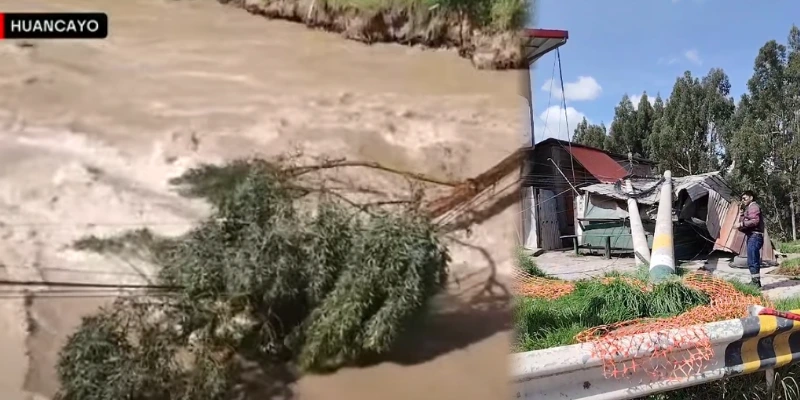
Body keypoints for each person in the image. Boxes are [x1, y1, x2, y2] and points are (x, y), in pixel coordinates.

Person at [735, 190, 764, 288]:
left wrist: (741, 224)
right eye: (741, 199)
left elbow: (755, 221)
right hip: (752, 236)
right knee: (751, 260)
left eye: (744, 198)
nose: (743, 200)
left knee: (753, 260)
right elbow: (744, 224)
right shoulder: (749, 208)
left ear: (751, 197)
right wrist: (742, 214)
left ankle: (756, 283)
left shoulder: (754, 207)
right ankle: (755, 281)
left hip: (755, 236)